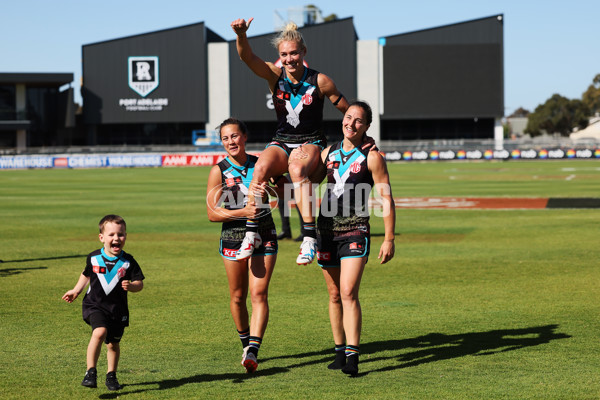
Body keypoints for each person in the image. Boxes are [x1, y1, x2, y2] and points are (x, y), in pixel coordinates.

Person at [230, 17, 350, 265]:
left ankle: (308, 238)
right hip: (282, 140)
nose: (289, 59)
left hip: (311, 142)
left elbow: (347, 112)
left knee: (296, 168)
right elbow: (247, 58)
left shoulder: (320, 81)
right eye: (284, 55)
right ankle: (251, 233)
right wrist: (241, 35)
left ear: (303, 52)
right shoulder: (275, 76)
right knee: (260, 168)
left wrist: (361, 136)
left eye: (294, 54)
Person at [316, 101, 396, 376]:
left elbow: (385, 197)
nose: (351, 123)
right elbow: (307, 179)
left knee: (349, 292)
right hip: (325, 230)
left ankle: (353, 355)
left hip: (355, 229)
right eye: (348, 117)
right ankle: (339, 352)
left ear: (366, 126)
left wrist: (388, 238)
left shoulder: (373, 157)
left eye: (358, 120)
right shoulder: (328, 153)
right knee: (335, 294)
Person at [206, 118, 278, 373]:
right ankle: (245, 343)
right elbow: (212, 214)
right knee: (238, 297)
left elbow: (283, 192)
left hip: (264, 232)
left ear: (244, 137)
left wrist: (271, 190)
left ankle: (254, 351)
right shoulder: (219, 170)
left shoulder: (262, 164)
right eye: (225, 138)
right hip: (233, 236)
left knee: (259, 294)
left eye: (234, 136)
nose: (230, 142)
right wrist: (243, 211)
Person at [62, 214, 145, 390]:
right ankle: (90, 372)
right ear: (102, 238)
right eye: (111, 234)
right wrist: (76, 290)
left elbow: (140, 283)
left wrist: (132, 286)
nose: (116, 238)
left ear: (126, 236)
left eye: (121, 234)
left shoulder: (128, 261)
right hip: (95, 305)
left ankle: (111, 376)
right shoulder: (93, 258)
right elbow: (86, 275)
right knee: (99, 332)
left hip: (117, 310)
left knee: (113, 344)